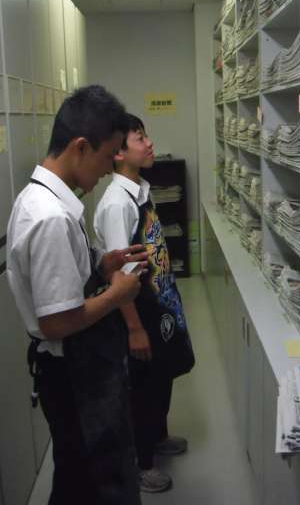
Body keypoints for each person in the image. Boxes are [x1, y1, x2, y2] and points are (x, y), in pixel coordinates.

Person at [6, 85, 149, 505]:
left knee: (76, 475)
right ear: (80, 147)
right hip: (71, 374)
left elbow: (60, 282)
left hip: (70, 368)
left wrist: (101, 267)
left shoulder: (45, 199)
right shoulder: (50, 217)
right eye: (106, 157)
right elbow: (57, 321)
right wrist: (117, 293)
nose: (108, 170)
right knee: (90, 481)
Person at [94, 114, 193, 493]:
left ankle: (157, 437)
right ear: (118, 153)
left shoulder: (140, 189)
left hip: (158, 302)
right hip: (138, 311)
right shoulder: (117, 204)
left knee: (161, 375)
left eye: (146, 135)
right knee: (142, 387)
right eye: (139, 138)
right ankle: (142, 463)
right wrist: (134, 328)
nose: (149, 143)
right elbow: (121, 277)